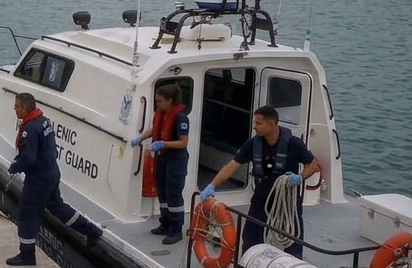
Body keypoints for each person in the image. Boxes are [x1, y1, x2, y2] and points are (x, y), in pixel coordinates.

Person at [199, 105, 321, 258]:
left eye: (258, 123)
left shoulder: (294, 143)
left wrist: (299, 178)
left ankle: (294, 264)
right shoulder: (253, 144)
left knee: (292, 236)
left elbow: (312, 165)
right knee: (251, 234)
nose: (254, 127)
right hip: (263, 192)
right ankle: (248, 263)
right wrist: (212, 185)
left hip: (287, 197)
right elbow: (232, 166)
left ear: (271, 124)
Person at [6, 92, 103, 266]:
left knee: (27, 214)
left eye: (16, 107)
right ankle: (91, 230)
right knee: (57, 206)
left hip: (38, 178)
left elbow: (29, 158)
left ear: (25, 108)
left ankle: (27, 255)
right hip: (51, 172)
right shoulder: (43, 121)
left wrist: (15, 167)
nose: (15, 110)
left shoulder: (30, 129)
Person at [130, 83, 190, 245]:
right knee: (162, 192)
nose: (157, 104)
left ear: (170, 100)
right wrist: (141, 138)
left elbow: (183, 142)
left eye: (160, 101)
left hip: (175, 160)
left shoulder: (181, 118)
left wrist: (163, 144)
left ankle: (176, 229)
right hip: (161, 157)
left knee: (173, 193)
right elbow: (154, 129)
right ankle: (165, 223)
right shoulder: (162, 114)